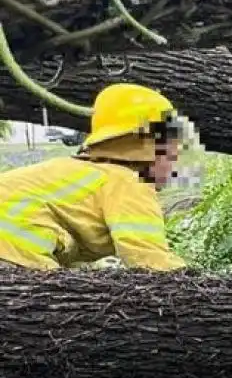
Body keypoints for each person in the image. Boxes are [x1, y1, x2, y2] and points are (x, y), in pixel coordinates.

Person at [0, 83, 192, 271]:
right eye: (172, 152)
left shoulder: (83, 172)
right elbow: (149, 260)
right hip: (12, 245)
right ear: (152, 148)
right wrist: (192, 279)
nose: (174, 163)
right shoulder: (128, 183)